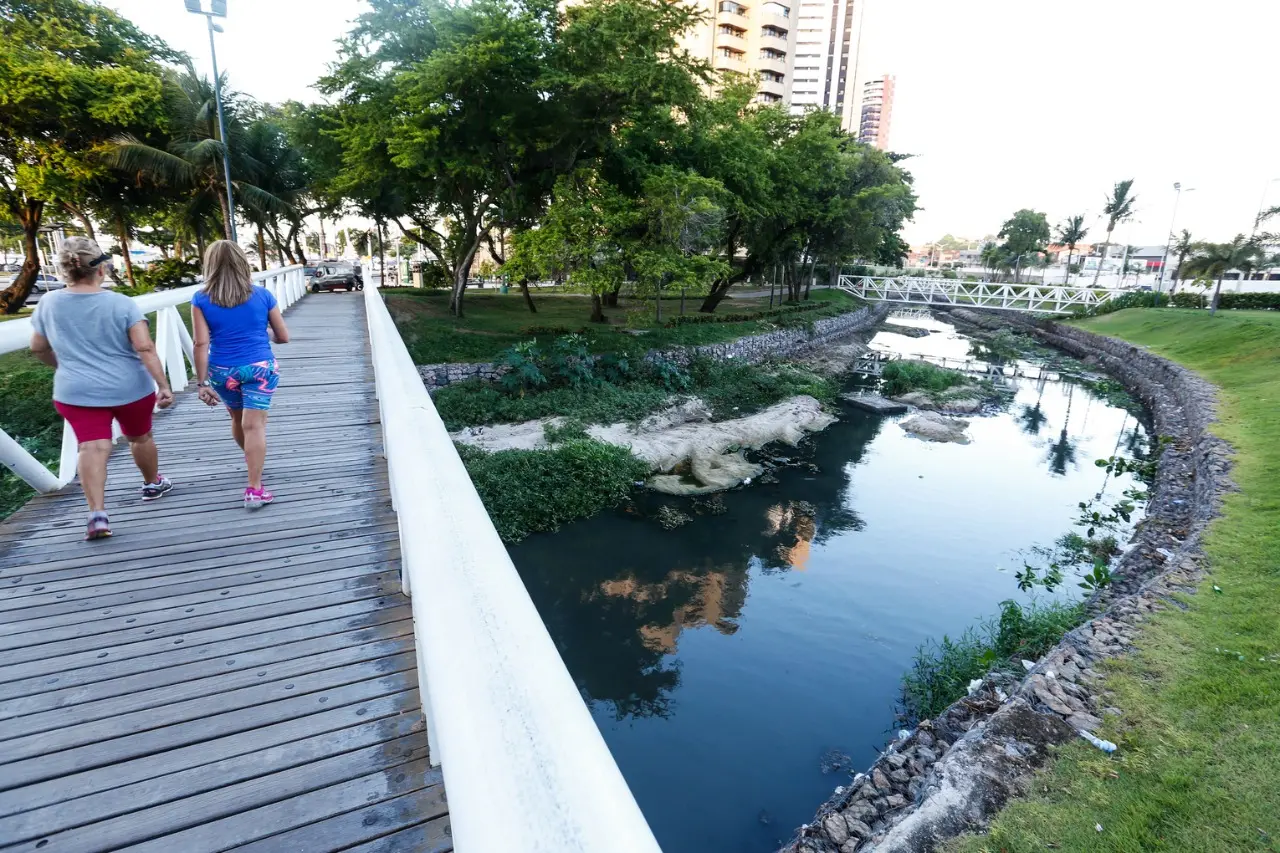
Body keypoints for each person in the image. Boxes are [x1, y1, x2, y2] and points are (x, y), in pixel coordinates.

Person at [29, 237, 175, 541]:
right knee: (140, 436)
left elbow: (38, 348)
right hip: (129, 388)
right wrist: (163, 385)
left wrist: (64, 366)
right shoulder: (121, 303)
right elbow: (145, 347)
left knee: (92, 446)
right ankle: (152, 483)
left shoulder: (49, 303)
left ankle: (97, 513)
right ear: (101, 270)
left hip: (76, 390)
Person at [191, 241, 290, 509]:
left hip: (222, 371)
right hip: (260, 368)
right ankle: (255, 488)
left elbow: (200, 344)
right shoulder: (262, 296)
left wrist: (201, 383)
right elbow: (283, 336)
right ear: (242, 262)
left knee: (237, 420)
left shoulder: (201, 299)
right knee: (255, 425)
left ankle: (252, 462)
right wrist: (261, 334)